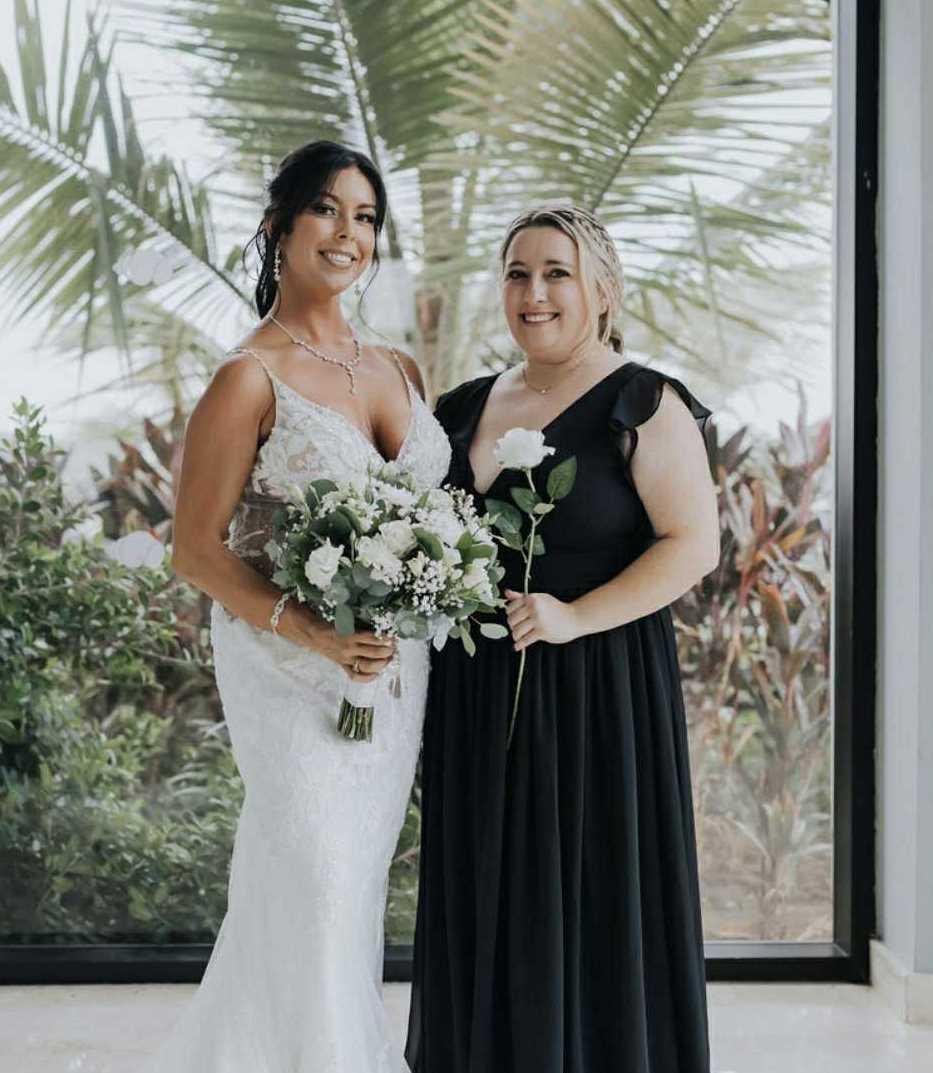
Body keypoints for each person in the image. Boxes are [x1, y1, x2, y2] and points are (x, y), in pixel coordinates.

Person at [148, 140, 451, 1072]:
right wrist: (315, 631)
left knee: (345, 887)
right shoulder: (248, 377)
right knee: (315, 875)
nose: (347, 233)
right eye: (326, 208)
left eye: (366, 217)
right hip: (288, 667)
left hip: (389, 673)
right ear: (279, 224)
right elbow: (195, 549)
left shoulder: (398, 366)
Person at [407, 204, 719, 1073]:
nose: (533, 292)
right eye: (517, 273)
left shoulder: (643, 403)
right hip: (475, 699)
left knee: (588, 898)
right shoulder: (461, 407)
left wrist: (574, 616)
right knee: (487, 896)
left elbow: (694, 545)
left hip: (596, 697)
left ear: (602, 291)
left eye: (556, 273)